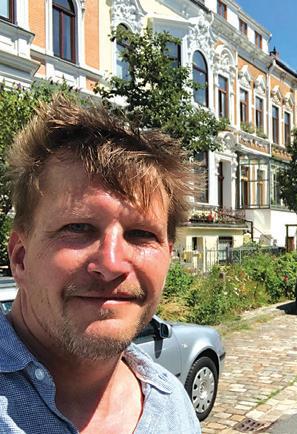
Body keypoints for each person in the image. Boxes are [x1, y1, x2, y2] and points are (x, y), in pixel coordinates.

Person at [1, 96, 201, 433]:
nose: (111, 264)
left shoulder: (173, 407)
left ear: (168, 257)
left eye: (141, 234)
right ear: (20, 257)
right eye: (78, 228)